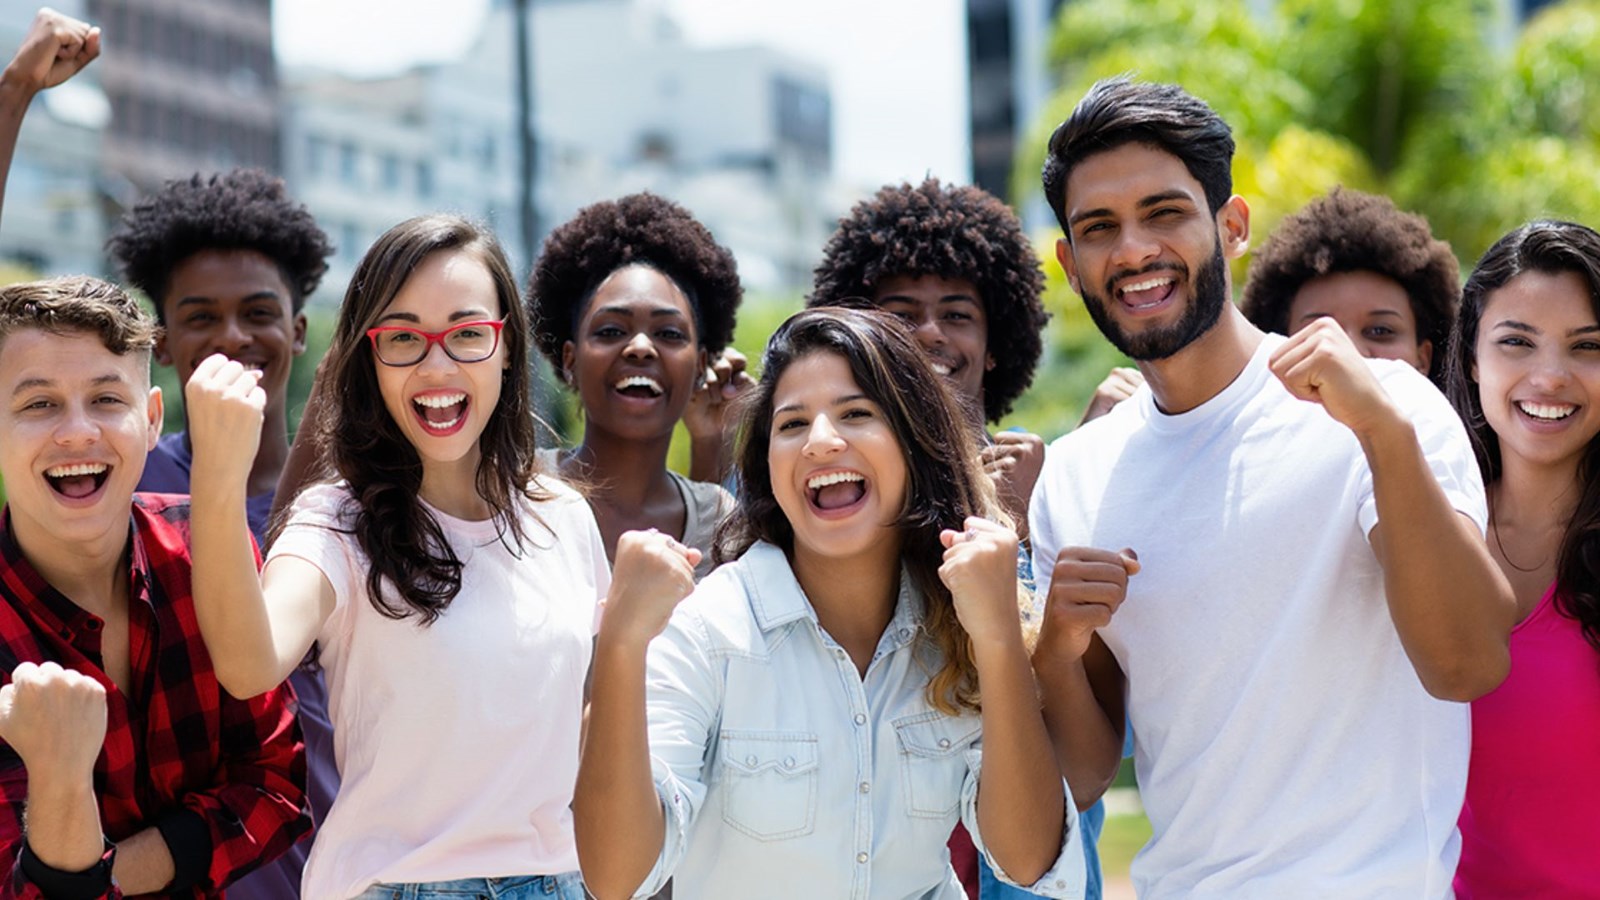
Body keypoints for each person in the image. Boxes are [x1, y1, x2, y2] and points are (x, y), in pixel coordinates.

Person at [1030, 77, 1516, 898]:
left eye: (1165, 213)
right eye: (1099, 228)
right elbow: (1083, 772)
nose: (1135, 249)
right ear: (1070, 265)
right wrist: (1054, 647)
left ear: (1233, 226)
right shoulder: (1076, 473)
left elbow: (1465, 664)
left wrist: (1382, 438)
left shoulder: (1384, 402)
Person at [184, 215, 650, 900]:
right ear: (370, 358)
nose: (437, 367)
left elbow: (587, 732)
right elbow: (249, 663)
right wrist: (218, 480)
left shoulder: (563, 517)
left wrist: (633, 636)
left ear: (506, 348)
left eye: (466, 334)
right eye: (403, 338)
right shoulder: (336, 521)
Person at [574, 306, 1086, 900]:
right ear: (768, 464)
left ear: (914, 446)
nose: (820, 442)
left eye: (856, 414)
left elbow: (1027, 861)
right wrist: (620, 644)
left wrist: (998, 639)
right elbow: (615, 879)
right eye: (791, 425)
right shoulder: (706, 630)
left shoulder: (963, 620)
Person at [806, 178, 1104, 899]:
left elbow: (1090, 756)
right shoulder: (825, 501)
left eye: (957, 315)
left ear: (996, 344)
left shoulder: (1055, 483)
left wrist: (1025, 533)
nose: (931, 333)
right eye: (901, 314)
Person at [0, 276, 308, 899]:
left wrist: (100, 872)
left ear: (152, 418)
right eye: (39, 404)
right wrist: (62, 781)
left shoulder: (205, 550)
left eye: (107, 399)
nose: (79, 432)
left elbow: (274, 785)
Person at [107, 166, 338, 900]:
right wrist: (11, 101)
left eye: (259, 312)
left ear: (297, 333)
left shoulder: (353, 498)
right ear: (164, 342)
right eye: (201, 316)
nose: (234, 336)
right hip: (182, 868)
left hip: (341, 866)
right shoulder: (120, 486)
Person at [1445, 220, 1600, 896]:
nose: (1550, 376)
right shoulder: (1418, 535)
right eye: (1516, 342)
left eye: (1587, 347)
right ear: (1472, 359)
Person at [529, 193, 739, 577]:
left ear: (701, 367)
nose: (641, 347)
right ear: (569, 360)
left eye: (669, 333)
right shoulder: (516, 494)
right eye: (611, 330)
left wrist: (713, 440)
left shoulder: (723, 525)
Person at [1240, 187, 1459, 383]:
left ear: (1423, 359)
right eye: (1321, 330)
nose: (1350, 351)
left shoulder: (1445, 429)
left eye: (1380, 331)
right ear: (1278, 350)